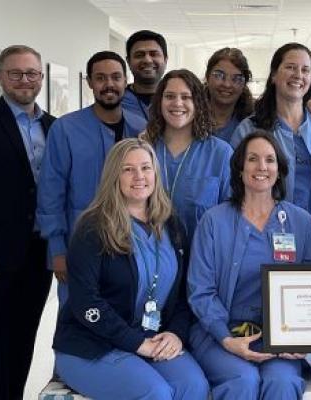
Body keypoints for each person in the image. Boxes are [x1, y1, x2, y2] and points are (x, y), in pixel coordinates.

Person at [52, 138, 209, 399]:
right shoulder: (93, 228)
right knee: (155, 393)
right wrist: (136, 343)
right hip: (92, 344)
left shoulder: (172, 225)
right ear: (114, 175)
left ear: (155, 174)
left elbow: (182, 296)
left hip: (151, 338)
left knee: (193, 387)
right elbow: (86, 302)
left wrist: (175, 333)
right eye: (128, 169)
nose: (139, 176)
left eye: (146, 168)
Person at [188, 131, 311, 399]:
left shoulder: (301, 223)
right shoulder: (213, 222)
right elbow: (200, 290)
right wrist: (226, 338)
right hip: (219, 334)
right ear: (239, 169)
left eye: (270, 160)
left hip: (279, 339)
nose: (262, 167)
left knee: (282, 383)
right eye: (253, 159)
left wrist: (301, 339)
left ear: (280, 169)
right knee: (243, 380)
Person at [231, 42, 311, 259]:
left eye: (305, 69)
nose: (298, 75)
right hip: (266, 237)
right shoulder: (250, 129)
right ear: (273, 75)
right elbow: (234, 183)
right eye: (290, 67)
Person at [37, 51, 146, 303]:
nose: (109, 84)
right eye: (101, 78)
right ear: (89, 82)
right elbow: (51, 193)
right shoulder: (65, 129)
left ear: (125, 80)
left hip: (133, 243)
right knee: (77, 319)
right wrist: (57, 250)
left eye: (116, 77)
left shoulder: (141, 128)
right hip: (81, 243)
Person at [0, 45, 55, 400]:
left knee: (22, 339)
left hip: (38, 252)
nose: (24, 80)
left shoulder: (54, 126)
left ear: (41, 78)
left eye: (31, 73)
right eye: (15, 73)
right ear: (0, 77)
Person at [143, 69, 232, 240]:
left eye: (186, 97)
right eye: (169, 96)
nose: (177, 103)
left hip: (201, 259)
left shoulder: (220, 154)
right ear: (159, 102)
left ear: (198, 103)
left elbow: (230, 217)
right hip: (152, 256)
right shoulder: (145, 149)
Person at [205, 47, 254, 143]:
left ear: (244, 84)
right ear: (207, 76)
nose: (227, 84)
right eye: (219, 75)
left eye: (236, 78)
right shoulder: (190, 117)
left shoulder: (251, 125)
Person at [123, 30, 168, 121]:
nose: (147, 60)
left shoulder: (181, 100)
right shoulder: (117, 101)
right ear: (128, 61)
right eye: (139, 55)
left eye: (154, 54)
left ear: (165, 60)